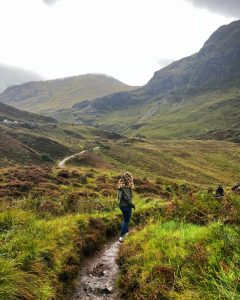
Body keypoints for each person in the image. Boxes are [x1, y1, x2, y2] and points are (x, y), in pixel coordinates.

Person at [117, 172, 135, 242]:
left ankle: (126, 232)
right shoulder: (126, 187)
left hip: (121, 205)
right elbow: (127, 198)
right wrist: (132, 205)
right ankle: (121, 236)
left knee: (125, 219)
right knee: (126, 221)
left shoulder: (120, 186)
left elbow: (119, 197)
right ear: (129, 178)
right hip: (126, 206)